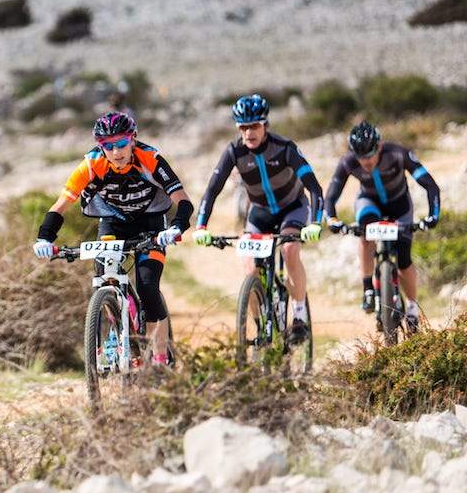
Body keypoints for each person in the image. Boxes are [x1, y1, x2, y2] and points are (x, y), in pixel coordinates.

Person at [32, 111, 193, 365]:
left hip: (150, 221)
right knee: (104, 277)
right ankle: (115, 329)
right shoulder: (91, 164)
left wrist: (175, 228)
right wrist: (44, 238)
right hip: (113, 222)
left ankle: (159, 358)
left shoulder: (149, 158)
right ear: (100, 146)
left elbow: (183, 200)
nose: (116, 151)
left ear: (133, 139)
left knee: (148, 287)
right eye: (108, 145)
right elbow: (61, 204)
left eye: (121, 143)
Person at [192, 94, 325, 343]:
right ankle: (261, 324)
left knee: (289, 249)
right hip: (260, 212)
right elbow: (212, 190)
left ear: (265, 125)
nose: (248, 133)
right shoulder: (234, 151)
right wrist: (201, 226)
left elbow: (315, 188)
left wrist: (315, 222)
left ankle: (298, 316)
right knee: (249, 267)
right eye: (243, 127)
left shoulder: (285, 148)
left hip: (292, 208)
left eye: (254, 126)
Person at [325, 121, 440, 330]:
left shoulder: (398, 153)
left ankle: (413, 308)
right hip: (369, 203)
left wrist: (433, 215)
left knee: (404, 260)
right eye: (360, 156)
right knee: (365, 233)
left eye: (369, 154)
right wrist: (332, 219)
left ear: (379, 146)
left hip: (400, 205)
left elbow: (430, 185)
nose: (366, 161)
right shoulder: (348, 162)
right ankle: (368, 287)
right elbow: (331, 196)